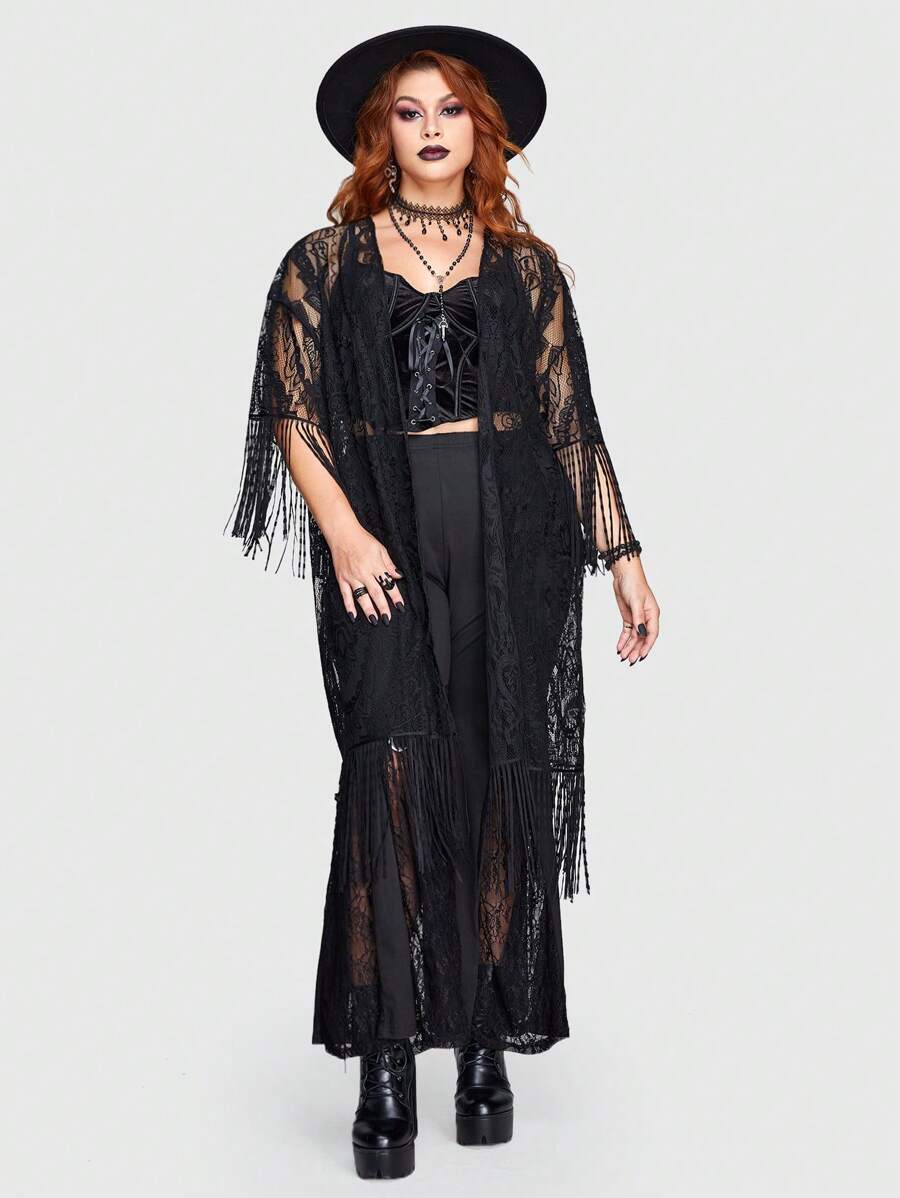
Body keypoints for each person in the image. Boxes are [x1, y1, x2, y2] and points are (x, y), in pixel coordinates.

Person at [224, 24, 660, 1180]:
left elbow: (571, 423)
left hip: (515, 535)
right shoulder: (324, 262)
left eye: (450, 109)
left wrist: (621, 553)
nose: (430, 128)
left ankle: (480, 1041)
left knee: (497, 770)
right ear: (380, 131)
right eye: (408, 110)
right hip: (385, 525)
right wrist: (344, 530)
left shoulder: (527, 267)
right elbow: (291, 411)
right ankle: (384, 1062)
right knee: (393, 767)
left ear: (482, 129)